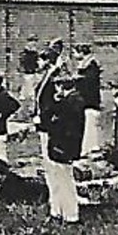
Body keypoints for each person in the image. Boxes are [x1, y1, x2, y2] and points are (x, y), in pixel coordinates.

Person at [37, 75, 85, 223]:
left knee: (64, 180)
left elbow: (58, 123)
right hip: (65, 145)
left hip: (63, 145)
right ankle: (59, 211)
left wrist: (47, 123)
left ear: (61, 87)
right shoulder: (73, 101)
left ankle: (71, 215)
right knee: (60, 178)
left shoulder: (70, 103)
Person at [74, 44, 104, 157]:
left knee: (91, 122)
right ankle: (87, 147)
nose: (75, 55)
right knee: (87, 123)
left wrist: (79, 79)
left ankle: (92, 147)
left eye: (76, 52)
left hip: (90, 99)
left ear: (82, 53)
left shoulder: (91, 65)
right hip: (85, 99)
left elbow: (90, 82)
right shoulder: (84, 64)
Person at [16, 40, 42, 121]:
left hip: (33, 75)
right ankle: (24, 113)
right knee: (25, 95)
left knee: (31, 96)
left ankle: (30, 113)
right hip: (27, 75)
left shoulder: (35, 55)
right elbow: (21, 65)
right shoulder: (24, 54)